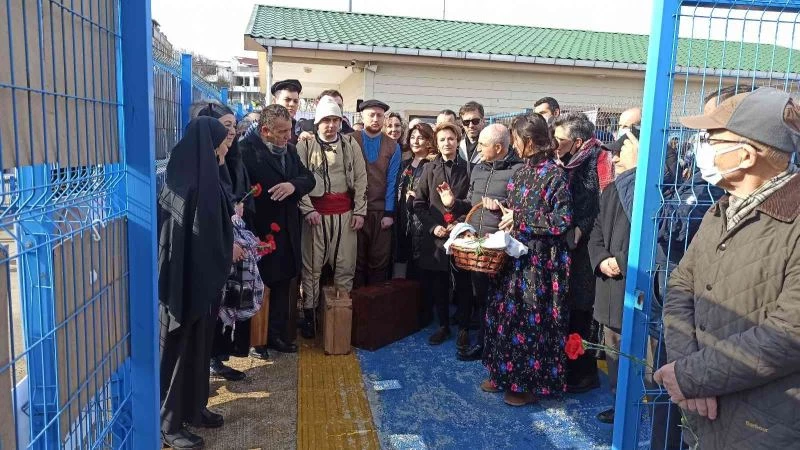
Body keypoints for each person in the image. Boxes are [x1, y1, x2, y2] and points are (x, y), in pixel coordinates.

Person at [656, 87, 800, 449]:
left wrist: (693, 376)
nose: (701, 148)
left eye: (711, 139)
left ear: (746, 155)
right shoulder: (723, 207)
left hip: (768, 426)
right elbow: (681, 285)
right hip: (709, 413)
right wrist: (689, 371)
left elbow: (789, 333)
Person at [481, 113, 572, 407]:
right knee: (503, 315)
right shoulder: (521, 172)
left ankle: (527, 384)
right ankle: (502, 374)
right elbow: (515, 209)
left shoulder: (555, 174)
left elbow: (562, 220)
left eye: (516, 138)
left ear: (529, 140)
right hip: (514, 256)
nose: (514, 144)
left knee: (529, 321)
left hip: (539, 262)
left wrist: (519, 218)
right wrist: (500, 211)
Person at [158, 117, 236, 449]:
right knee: (180, 350)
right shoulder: (186, 181)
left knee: (199, 348)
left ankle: (194, 407)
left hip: (204, 281)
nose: (227, 145)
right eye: (222, 140)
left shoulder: (206, 173)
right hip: (185, 282)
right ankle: (169, 423)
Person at [241, 104, 315, 356]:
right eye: (282, 132)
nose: (288, 136)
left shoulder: (290, 152)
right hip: (259, 231)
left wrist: (292, 186)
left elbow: (309, 179)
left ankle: (275, 336)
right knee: (258, 285)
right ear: (265, 131)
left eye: (289, 130)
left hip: (287, 230)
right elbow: (241, 191)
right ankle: (256, 340)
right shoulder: (245, 152)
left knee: (283, 284)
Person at [450, 123, 523, 361]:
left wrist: (503, 208)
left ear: (498, 147)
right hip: (479, 247)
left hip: (503, 247)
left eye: (482, 145)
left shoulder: (518, 170)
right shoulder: (478, 168)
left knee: (503, 300)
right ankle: (483, 343)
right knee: (481, 297)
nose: (478, 148)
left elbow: (522, 209)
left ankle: (501, 346)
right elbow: (470, 202)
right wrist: (453, 203)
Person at [296, 98, 367, 338]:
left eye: (335, 119)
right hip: (315, 216)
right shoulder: (305, 145)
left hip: (345, 215)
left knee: (345, 266)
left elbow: (361, 178)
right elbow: (298, 180)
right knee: (312, 268)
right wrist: (308, 209)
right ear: (318, 122)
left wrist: (360, 211)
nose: (331, 125)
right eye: (326, 120)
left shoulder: (350, 144)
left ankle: (339, 317)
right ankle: (310, 316)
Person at [195, 103, 250, 382]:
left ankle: (215, 357)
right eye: (224, 126)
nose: (231, 132)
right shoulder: (202, 165)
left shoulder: (228, 157)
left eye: (233, 126)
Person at [551, 112, 604, 394]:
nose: (554, 144)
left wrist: (578, 230)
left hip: (585, 252)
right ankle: (572, 368)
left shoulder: (594, 164)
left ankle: (584, 373)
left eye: (560, 140)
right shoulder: (573, 162)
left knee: (581, 315)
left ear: (578, 142)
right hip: (574, 250)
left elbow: (592, 208)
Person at [412, 122, 471, 345]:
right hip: (436, 237)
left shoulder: (469, 168)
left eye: (451, 139)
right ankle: (443, 326)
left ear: (458, 141)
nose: (447, 143)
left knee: (463, 284)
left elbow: (471, 202)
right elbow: (419, 204)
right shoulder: (429, 169)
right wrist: (432, 227)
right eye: (443, 139)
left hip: (461, 235)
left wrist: (459, 223)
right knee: (439, 285)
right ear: (436, 143)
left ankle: (464, 328)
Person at [349, 99, 402, 287]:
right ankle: (356, 301)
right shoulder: (350, 140)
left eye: (379, 115)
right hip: (354, 211)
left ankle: (375, 301)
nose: (375, 119)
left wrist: (388, 213)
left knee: (379, 261)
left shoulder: (393, 146)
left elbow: (392, 181)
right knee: (355, 260)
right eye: (371, 115)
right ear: (362, 117)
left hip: (380, 212)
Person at [394, 122, 436, 281]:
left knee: (418, 265)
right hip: (403, 218)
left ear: (429, 141)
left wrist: (419, 195)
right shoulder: (405, 164)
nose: (415, 141)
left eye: (420, 138)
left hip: (421, 221)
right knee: (401, 259)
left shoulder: (432, 164)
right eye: (412, 137)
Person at [271, 79, 303, 145]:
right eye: (287, 100)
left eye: (295, 101)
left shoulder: (299, 129)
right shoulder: (260, 125)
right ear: (274, 101)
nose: (292, 104)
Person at [458, 101, 486, 174]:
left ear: (483, 121)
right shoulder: (457, 144)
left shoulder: (492, 145)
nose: (471, 126)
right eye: (466, 122)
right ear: (462, 124)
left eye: (475, 121)